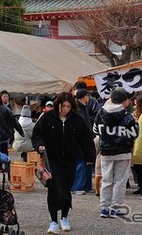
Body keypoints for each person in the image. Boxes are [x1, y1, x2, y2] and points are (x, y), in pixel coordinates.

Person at [31, 92, 95, 234]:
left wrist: (89, 158)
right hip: (52, 159)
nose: (65, 109)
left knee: (66, 189)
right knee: (54, 188)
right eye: (63, 106)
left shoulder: (77, 120)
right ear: (57, 104)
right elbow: (37, 134)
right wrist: (39, 145)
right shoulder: (47, 117)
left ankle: (64, 217)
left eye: (68, 106)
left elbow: (86, 139)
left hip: (70, 160)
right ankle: (53, 220)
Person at [93, 88, 138, 217]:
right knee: (120, 180)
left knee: (107, 179)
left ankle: (104, 207)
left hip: (105, 152)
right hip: (123, 152)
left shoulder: (100, 114)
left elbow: (96, 130)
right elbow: (134, 134)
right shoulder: (127, 116)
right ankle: (115, 207)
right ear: (124, 102)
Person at [72, 89, 100, 195]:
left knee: (88, 163)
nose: (89, 98)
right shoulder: (78, 109)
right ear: (84, 97)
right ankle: (77, 187)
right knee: (80, 164)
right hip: (80, 142)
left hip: (87, 140)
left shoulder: (84, 107)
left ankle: (87, 186)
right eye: (88, 96)